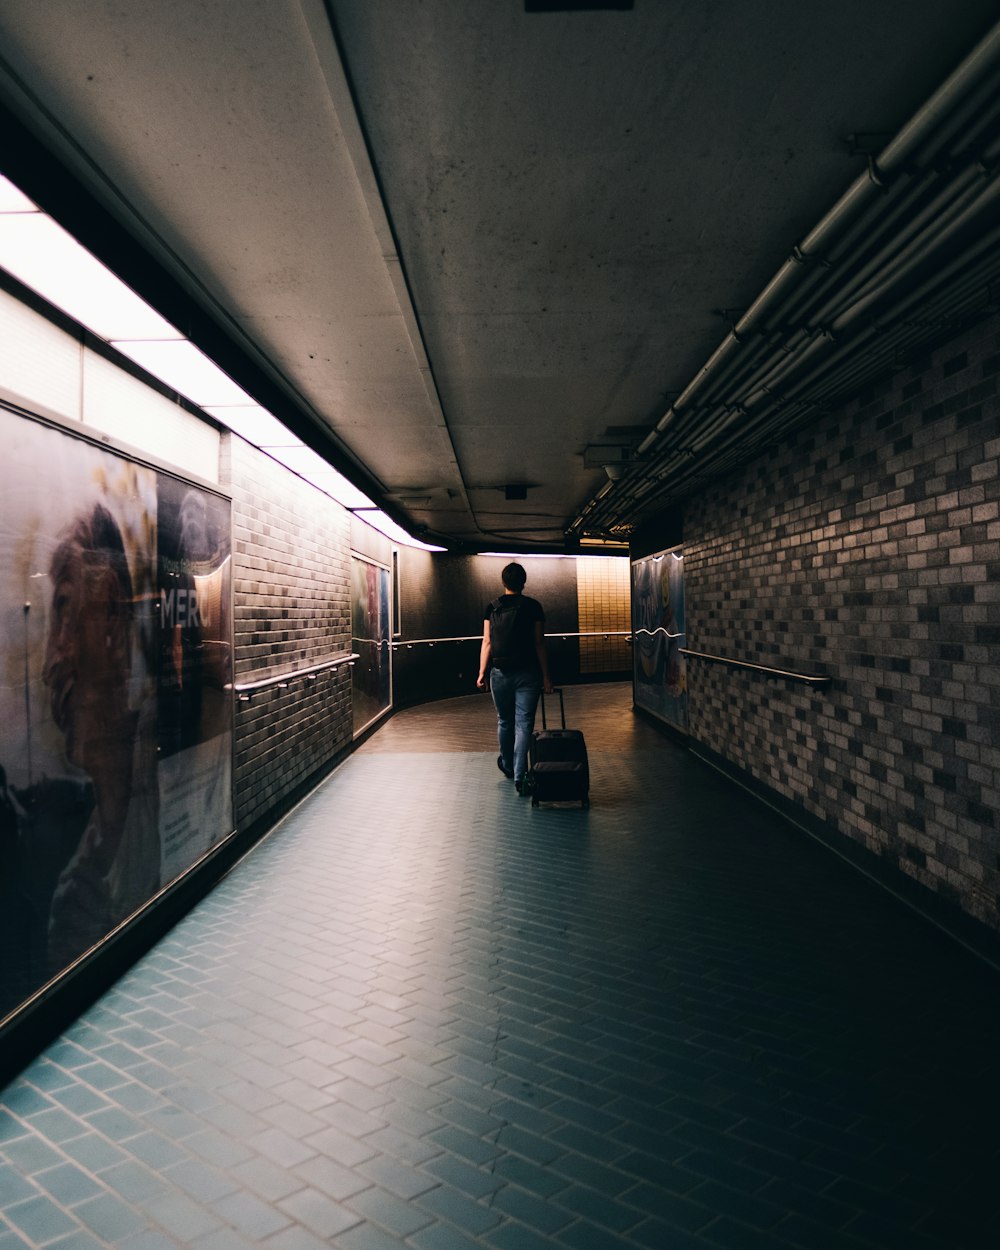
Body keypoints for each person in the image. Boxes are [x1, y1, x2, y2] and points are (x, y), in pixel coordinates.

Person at [42, 502, 159, 973]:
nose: (50, 664)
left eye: (65, 608)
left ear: (112, 615)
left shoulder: (162, 768)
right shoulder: (74, 891)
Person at [477, 562, 553, 794]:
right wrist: (546, 677)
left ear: (503, 582)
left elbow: (487, 642)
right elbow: (539, 642)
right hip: (528, 673)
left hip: (499, 673)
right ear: (524, 582)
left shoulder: (493, 606)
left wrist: (481, 673)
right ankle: (521, 777)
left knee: (504, 721)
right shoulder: (533, 606)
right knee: (523, 725)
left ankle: (508, 766)